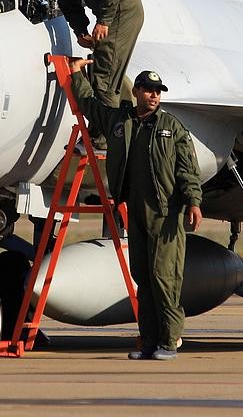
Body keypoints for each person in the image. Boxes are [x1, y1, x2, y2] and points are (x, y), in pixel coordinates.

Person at [68, 58, 202, 360]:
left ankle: (169, 342)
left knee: (165, 278)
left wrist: (194, 201)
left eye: (158, 91)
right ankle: (150, 342)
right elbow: (90, 105)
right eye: (148, 90)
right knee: (143, 276)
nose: (153, 96)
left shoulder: (171, 127)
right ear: (137, 91)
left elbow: (187, 170)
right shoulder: (120, 121)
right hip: (135, 211)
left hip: (166, 212)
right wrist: (76, 74)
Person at [19, 0, 144, 110]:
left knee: (103, 78)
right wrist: (81, 32)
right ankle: (102, 127)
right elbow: (69, 5)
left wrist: (103, 22)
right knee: (100, 74)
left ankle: (105, 133)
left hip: (123, 8)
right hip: (114, 11)